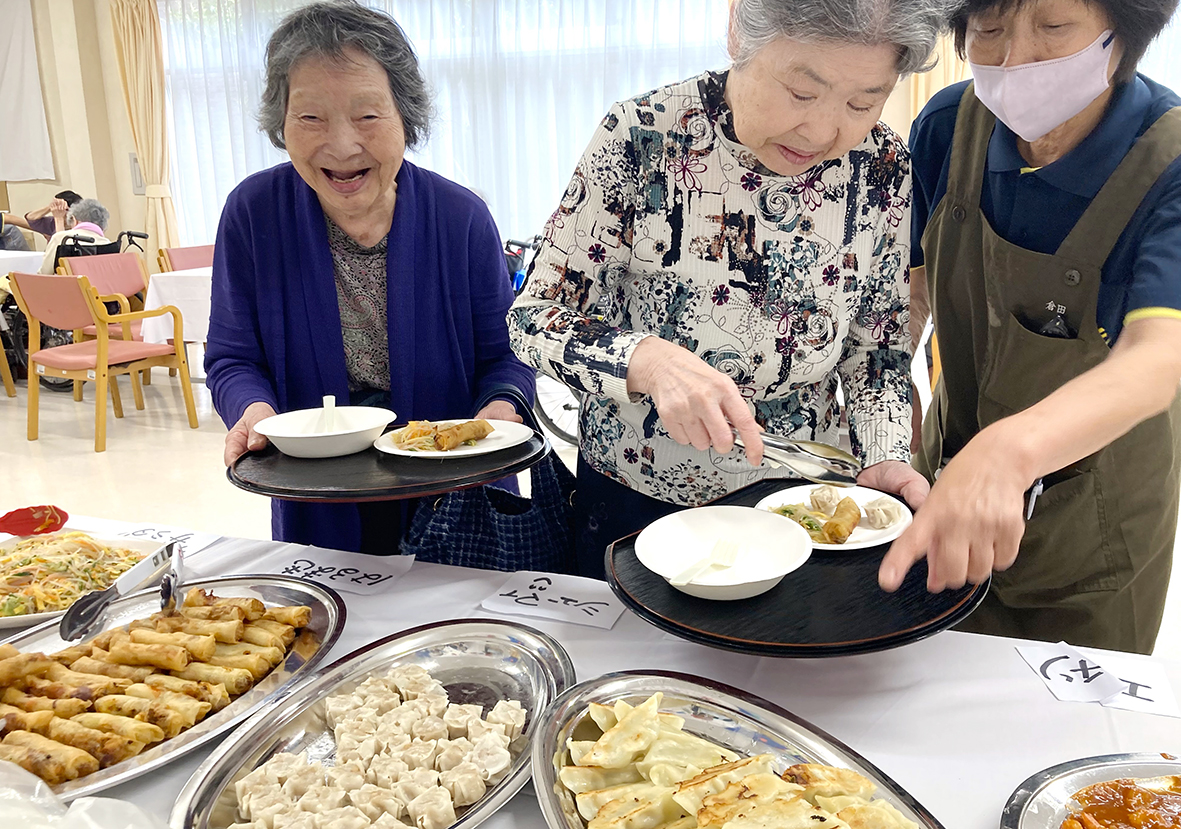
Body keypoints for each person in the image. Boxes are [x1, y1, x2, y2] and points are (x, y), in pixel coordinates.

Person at [509, 0, 953, 578]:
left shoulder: (881, 166)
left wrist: (885, 458)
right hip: (636, 500)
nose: (820, 131)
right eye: (801, 92)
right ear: (739, 30)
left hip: (800, 507)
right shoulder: (643, 136)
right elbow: (533, 317)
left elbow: (877, 354)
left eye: (862, 102)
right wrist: (647, 362)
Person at [886, 0, 1181, 654]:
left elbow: (1156, 359)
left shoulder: (1167, 163)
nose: (1013, 59)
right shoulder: (944, 130)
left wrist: (1008, 452)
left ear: (1121, 35)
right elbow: (913, 293)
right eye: (988, 30)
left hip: (1093, 544)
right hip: (945, 496)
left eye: (1051, 28)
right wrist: (886, 388)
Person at [205, 0, 534, 554]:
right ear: (281, 124)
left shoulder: (460, 218)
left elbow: (506, 354)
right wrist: (254, 413)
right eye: (310, 117)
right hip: (319, 490)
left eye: (367, 115)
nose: (340, 145)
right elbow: (233, 357)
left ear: (406, 116)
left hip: (457, 495)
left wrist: (496, 416)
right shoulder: (254, 214)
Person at [39, 199, 111, 274]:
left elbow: (45, 273)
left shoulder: (61, 238)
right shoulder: (107, 243)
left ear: (74, 219)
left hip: (67, 284)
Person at [2, 190, 83, 241]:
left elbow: (60, 244)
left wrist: (59, 219)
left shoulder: (81, 226)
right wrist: (49, 207)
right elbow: (31, 218)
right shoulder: (52, 222)